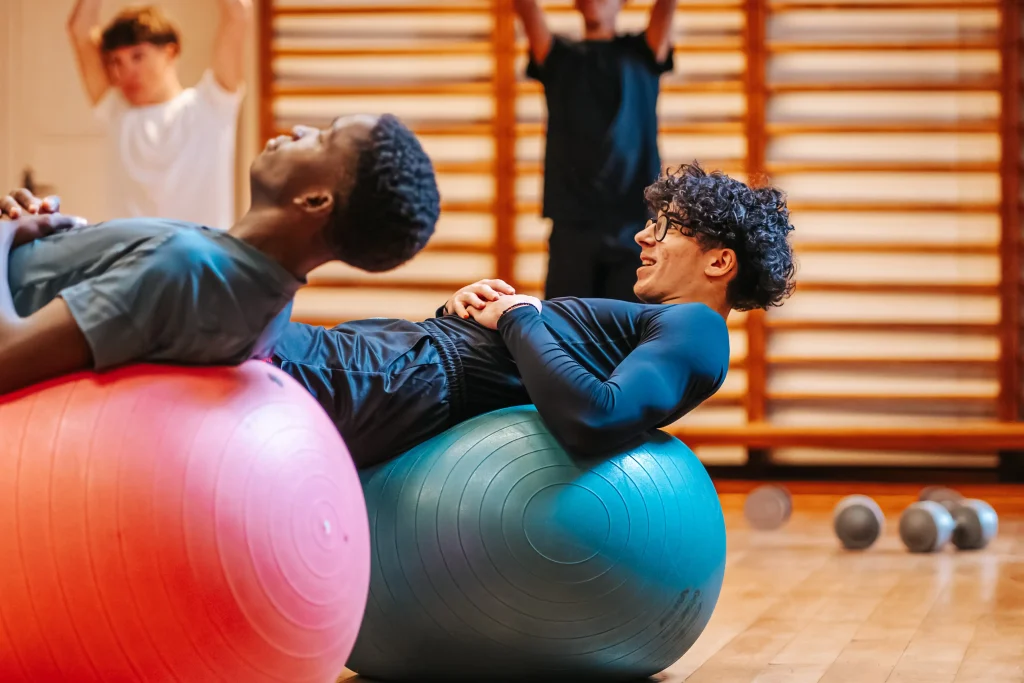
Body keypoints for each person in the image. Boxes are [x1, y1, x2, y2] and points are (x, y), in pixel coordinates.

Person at [268, 163, 795, 467]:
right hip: (409, 368)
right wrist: (467, 311)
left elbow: (596, 417)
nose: (642, 236)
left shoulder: (699, 328)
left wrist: (518, 315)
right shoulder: (673, 329)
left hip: (409, 375)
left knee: (242, 352)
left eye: (666, 228)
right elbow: (538, 376)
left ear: (720, 261)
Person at [0, 114, 440, 396]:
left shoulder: (190, 269)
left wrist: (6, 235)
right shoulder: (261, 294)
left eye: (322, 140)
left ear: (314, 200)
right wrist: (58, 239)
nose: (301, 130)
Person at [514, 0, 679, 301]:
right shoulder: (558, 57)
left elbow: (666, 7)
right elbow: (524, 8)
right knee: (564, 329)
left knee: (629, 328)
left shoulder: (642, 53)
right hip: (572, 224)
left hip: (634, 221)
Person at [66, 0, 251, 229]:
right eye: (117, 61)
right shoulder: (116, 111)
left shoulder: (212, 105)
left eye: (138, 57)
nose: (126, 71)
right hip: (132, 260)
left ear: (170, 52)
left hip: (202, 261)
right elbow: (79, 29)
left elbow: (238, 14)